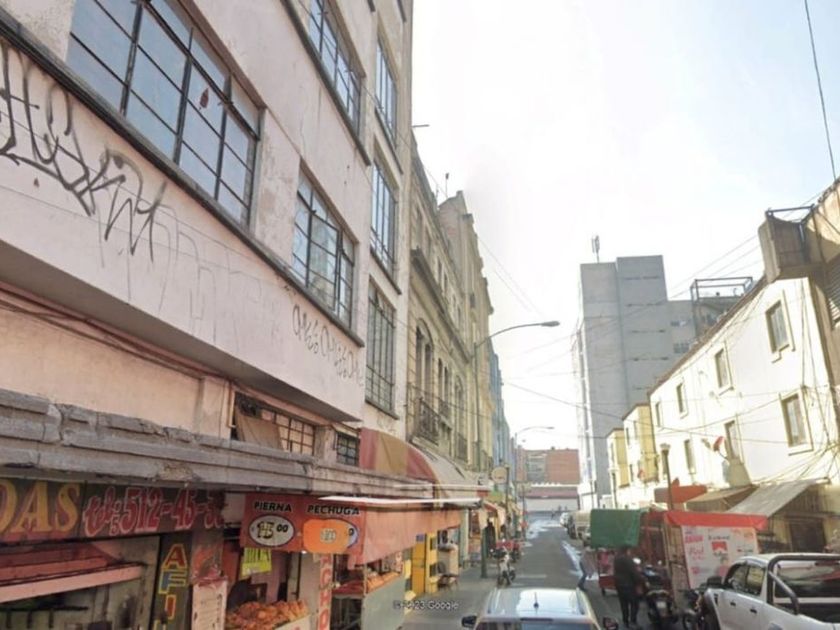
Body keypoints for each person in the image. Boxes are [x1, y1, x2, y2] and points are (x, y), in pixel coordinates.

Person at [613, 546, 642, 628]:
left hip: (619, 584)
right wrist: (639, 580)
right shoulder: (627, 559)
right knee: (634, 603)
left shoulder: (616, 559)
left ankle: (625, 621)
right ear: (627, 550)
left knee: (624, 604)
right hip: (628, 584)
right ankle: (633, 621)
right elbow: (633, 572)